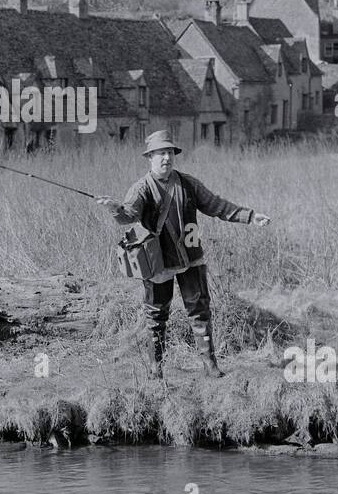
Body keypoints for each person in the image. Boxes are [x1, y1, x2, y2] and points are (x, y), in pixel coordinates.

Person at [95, 130, 269, 380]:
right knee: (156, 317)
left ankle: (210, 366)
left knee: (200, 312)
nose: (166, 158)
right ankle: (156, 370)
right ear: (150, 158)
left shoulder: (188, 183)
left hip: (191, 259)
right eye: (160, 153)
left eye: (169, 153)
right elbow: (128, 215)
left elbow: (217, 205)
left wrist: (251, 216)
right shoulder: (141, 188)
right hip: (157, 264)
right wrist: (114, 208)